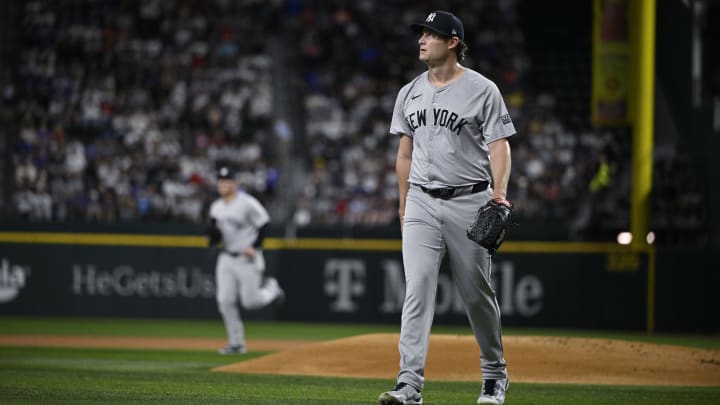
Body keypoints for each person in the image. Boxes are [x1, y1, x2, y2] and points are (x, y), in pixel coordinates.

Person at [378, 10, 516, 405]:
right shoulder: (409, 92)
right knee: (417, 290)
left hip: (470, 201)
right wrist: (404, 203)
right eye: (420, 34)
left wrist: (499, 195)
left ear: (453, 41)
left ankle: (494, 375)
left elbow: (499, 145)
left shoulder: (482, 89)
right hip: (421, 199)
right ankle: (409, 385)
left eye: (431, 34)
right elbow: (404, 153)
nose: (422, 40)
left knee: (476, 294)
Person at [205, 165, 285, 355]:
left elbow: (265, 223)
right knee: (225, 301)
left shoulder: (247, 202)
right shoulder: (216, 207)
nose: (223, 184)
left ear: (235, 183)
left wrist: (255, 246)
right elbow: (215, 235)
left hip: (246, 257)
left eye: (227, 181)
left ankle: (272, 289)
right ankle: (236, 343)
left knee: (250, 302)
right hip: (226, 257)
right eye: (220, 181)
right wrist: (211, 238)